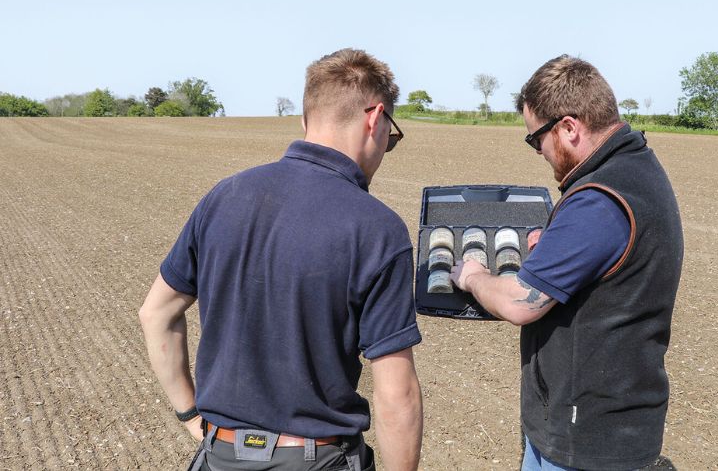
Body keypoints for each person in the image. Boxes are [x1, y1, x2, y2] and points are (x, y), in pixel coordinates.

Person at [139, 48, 423, 471]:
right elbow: (396, 393)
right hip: (318, 460)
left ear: (307, 120)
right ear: (374, 118)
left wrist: (191, 416)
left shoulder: (224, 197)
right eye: (390, 135)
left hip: (219, 455)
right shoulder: (376, 228)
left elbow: (156, 312)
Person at [451, 55, 684, 471]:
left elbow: (521, 303)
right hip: (603, 425)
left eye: (535, 138)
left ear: (569, 127)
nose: (538, 150)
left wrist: (474, 276)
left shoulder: (599, 200)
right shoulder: (634, 168)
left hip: (589, 440)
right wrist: (558, 245)